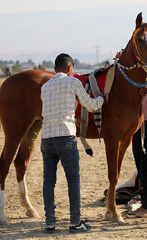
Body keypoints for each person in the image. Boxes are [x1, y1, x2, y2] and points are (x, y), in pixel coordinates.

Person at [40, 53, 104, 234]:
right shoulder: (73, 82)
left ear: (55, 69)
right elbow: (90, 105)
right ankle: (75, 222)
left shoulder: (45, 87)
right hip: (66, 137)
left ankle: (50, 223)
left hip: (47, 139)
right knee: (73, 181)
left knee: (48, 182)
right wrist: (102, 99)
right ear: (70, 68)